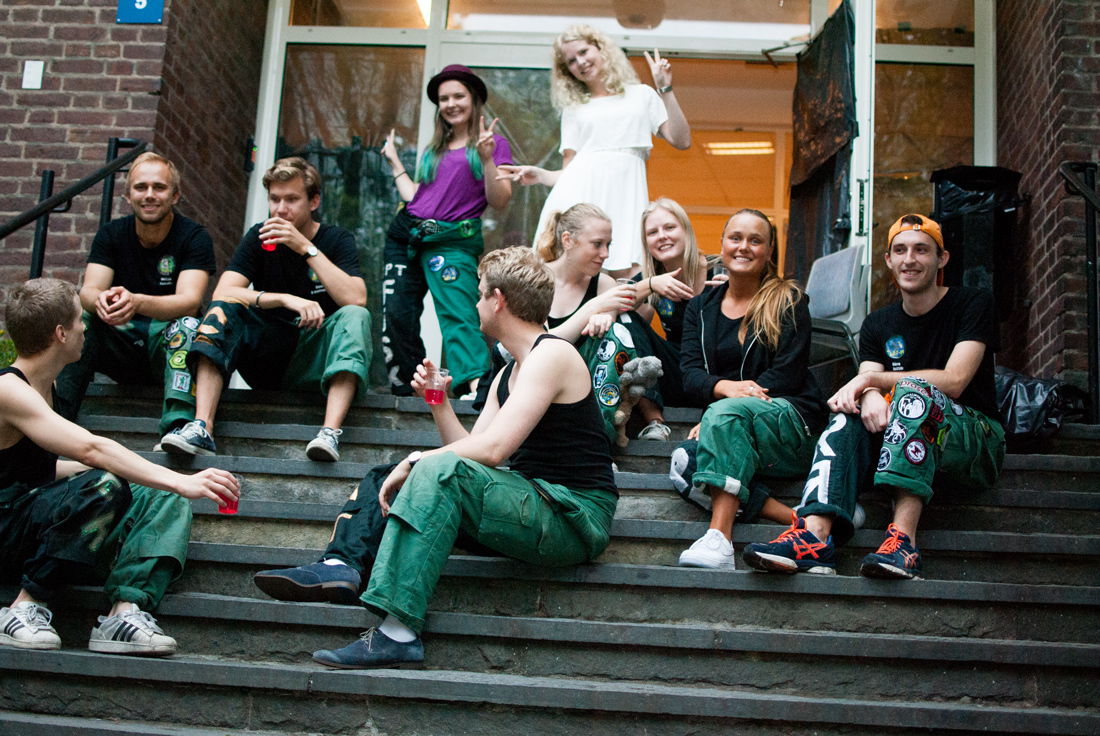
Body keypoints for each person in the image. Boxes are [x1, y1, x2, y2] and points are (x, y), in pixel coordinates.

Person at [252, 247, 618, 669]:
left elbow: (493, 451)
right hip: (529, 505)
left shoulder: (551, 354)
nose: (475, 304)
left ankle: (398, 634)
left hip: (572, 516)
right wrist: (438, 403)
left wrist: (417, 459)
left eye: (479, 294)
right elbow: (476, 453)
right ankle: (341, 564)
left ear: (498, 300)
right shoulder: (508, 372)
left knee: (429, 468)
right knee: (386, 475)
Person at [743, 214, 1005, 579]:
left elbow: (955, 380)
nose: (909, 259)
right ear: (888, 260)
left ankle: (904, 543)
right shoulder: (878, 323)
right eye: (900, 250)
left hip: (975, 440)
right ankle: (814, 537)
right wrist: (866, 392)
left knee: (913, 396)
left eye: (921, 250)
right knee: (848, 414)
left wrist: (871, 381)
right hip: (901, 439)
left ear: (942, 259)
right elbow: (867, 386)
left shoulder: (973, 303)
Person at [0, 278, 239, 656]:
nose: (85, 328)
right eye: (79, 320)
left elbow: (38, 470)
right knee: (108, 483)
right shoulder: (9, 390)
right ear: (61, 334)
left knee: (155, 492)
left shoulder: (49, 387)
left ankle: (123, 613)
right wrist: (180, 480)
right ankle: (22, 607)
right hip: (6, 531)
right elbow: (91, 449)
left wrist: (156, 482)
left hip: (29, 515)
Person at [159, 157, 370, 463]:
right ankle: (202, 427)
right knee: (222, 308)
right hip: (266, 356)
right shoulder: (259, 236)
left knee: (355, 316)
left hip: (312, 359)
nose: (280, 209)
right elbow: (223, 292)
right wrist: (283, 298)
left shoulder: (336, 239)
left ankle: (329, 433)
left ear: (314, 202)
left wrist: (305, 247)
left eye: (292, 199)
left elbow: (357, 298)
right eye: (274, 199)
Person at [676, 209, 828, 569]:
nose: (743, 246)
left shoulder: (789, 299)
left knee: (721, 422)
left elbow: (787, 375)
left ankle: (720, 540)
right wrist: (724, 393)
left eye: (755, 240)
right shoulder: (700, 307)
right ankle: (801, 521)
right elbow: (689, 375)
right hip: (733, 422)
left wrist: (722, 413)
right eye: (736, 238)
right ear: (722, 245)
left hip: (790, 423)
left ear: (769, 250)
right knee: (684, 462)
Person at [498, 25, 691, 278]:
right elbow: (569, 170)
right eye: (571, 61)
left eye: (583, 52)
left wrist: (665, 88)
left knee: (630, 274)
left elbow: (681, 140)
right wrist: (540, 174)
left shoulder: (642, 95)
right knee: (572, 275)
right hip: (581, 197)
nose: (580, 62)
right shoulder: (574, 108)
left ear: (601, 49)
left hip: (625, 193)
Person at [55, 152, 216, 438]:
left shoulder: (194, 237)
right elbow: (88, 291)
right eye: (141, 187)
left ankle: (179, 428)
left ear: (175, 195)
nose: (149, 194)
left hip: (168, 347)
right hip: (121, 340)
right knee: (82, 320)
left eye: (159, 187)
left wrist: (137, 301)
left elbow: (190, 302)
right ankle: (56, 420)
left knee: (188, 326)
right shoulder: (111, 234)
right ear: (128, 196)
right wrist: (101, 301)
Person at [381, 64, 513, 398]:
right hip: (407, 235)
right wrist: (395, 163)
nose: (451, 104)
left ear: (474, 99)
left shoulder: (493, 144)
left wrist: (486, 159)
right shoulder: (434, 150)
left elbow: (500, 200)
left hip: (452, 241)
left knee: (459, 313)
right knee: (397, 314)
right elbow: (418, 199)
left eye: (458, 96)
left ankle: (475, 387)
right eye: (444, 99)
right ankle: (411, 389)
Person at [537, 204, 666, 440]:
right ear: (567, 240)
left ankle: (599, 435)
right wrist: (593, 307)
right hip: (540, 378)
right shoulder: (537, 278)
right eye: (597, 244)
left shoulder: (604, 284)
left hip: (588, 385)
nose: (605, 253)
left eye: (608, 245)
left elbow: (608, 343)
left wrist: (604, 314)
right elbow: (540, 345)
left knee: (619, 330)